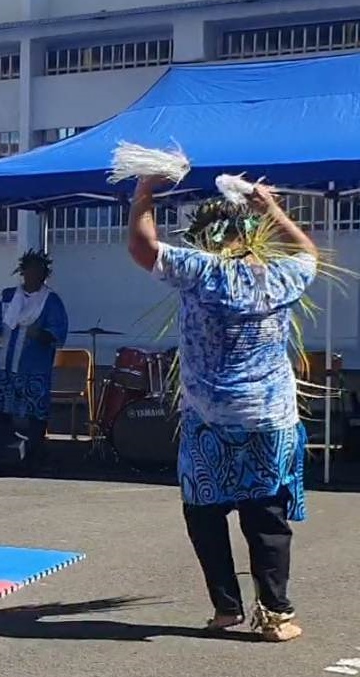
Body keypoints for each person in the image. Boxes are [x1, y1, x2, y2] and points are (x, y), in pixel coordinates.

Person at [126, 179, 318, 642]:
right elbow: (309, 252)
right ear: (251, 234)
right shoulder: (281, 276)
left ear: (207, 237)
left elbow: (142, 246)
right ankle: (275, 615)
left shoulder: (201, 271)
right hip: (268, 418)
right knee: (265, 515)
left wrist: (145, 191)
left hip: (209, 418)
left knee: (204, 511)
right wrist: (272, 208)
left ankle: (226, 608)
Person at [0, 250, 69, 469]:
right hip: (5, 365)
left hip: (33, 368)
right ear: (22, 272)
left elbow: (57, 333)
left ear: (44, 275)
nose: (33, 275)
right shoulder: (6, 297)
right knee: (0, 412)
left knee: (35, 415)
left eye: (39, 271)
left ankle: (34, 457)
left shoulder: (51, 301)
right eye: (30, 270)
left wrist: (41, 334)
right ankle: (0, 456)